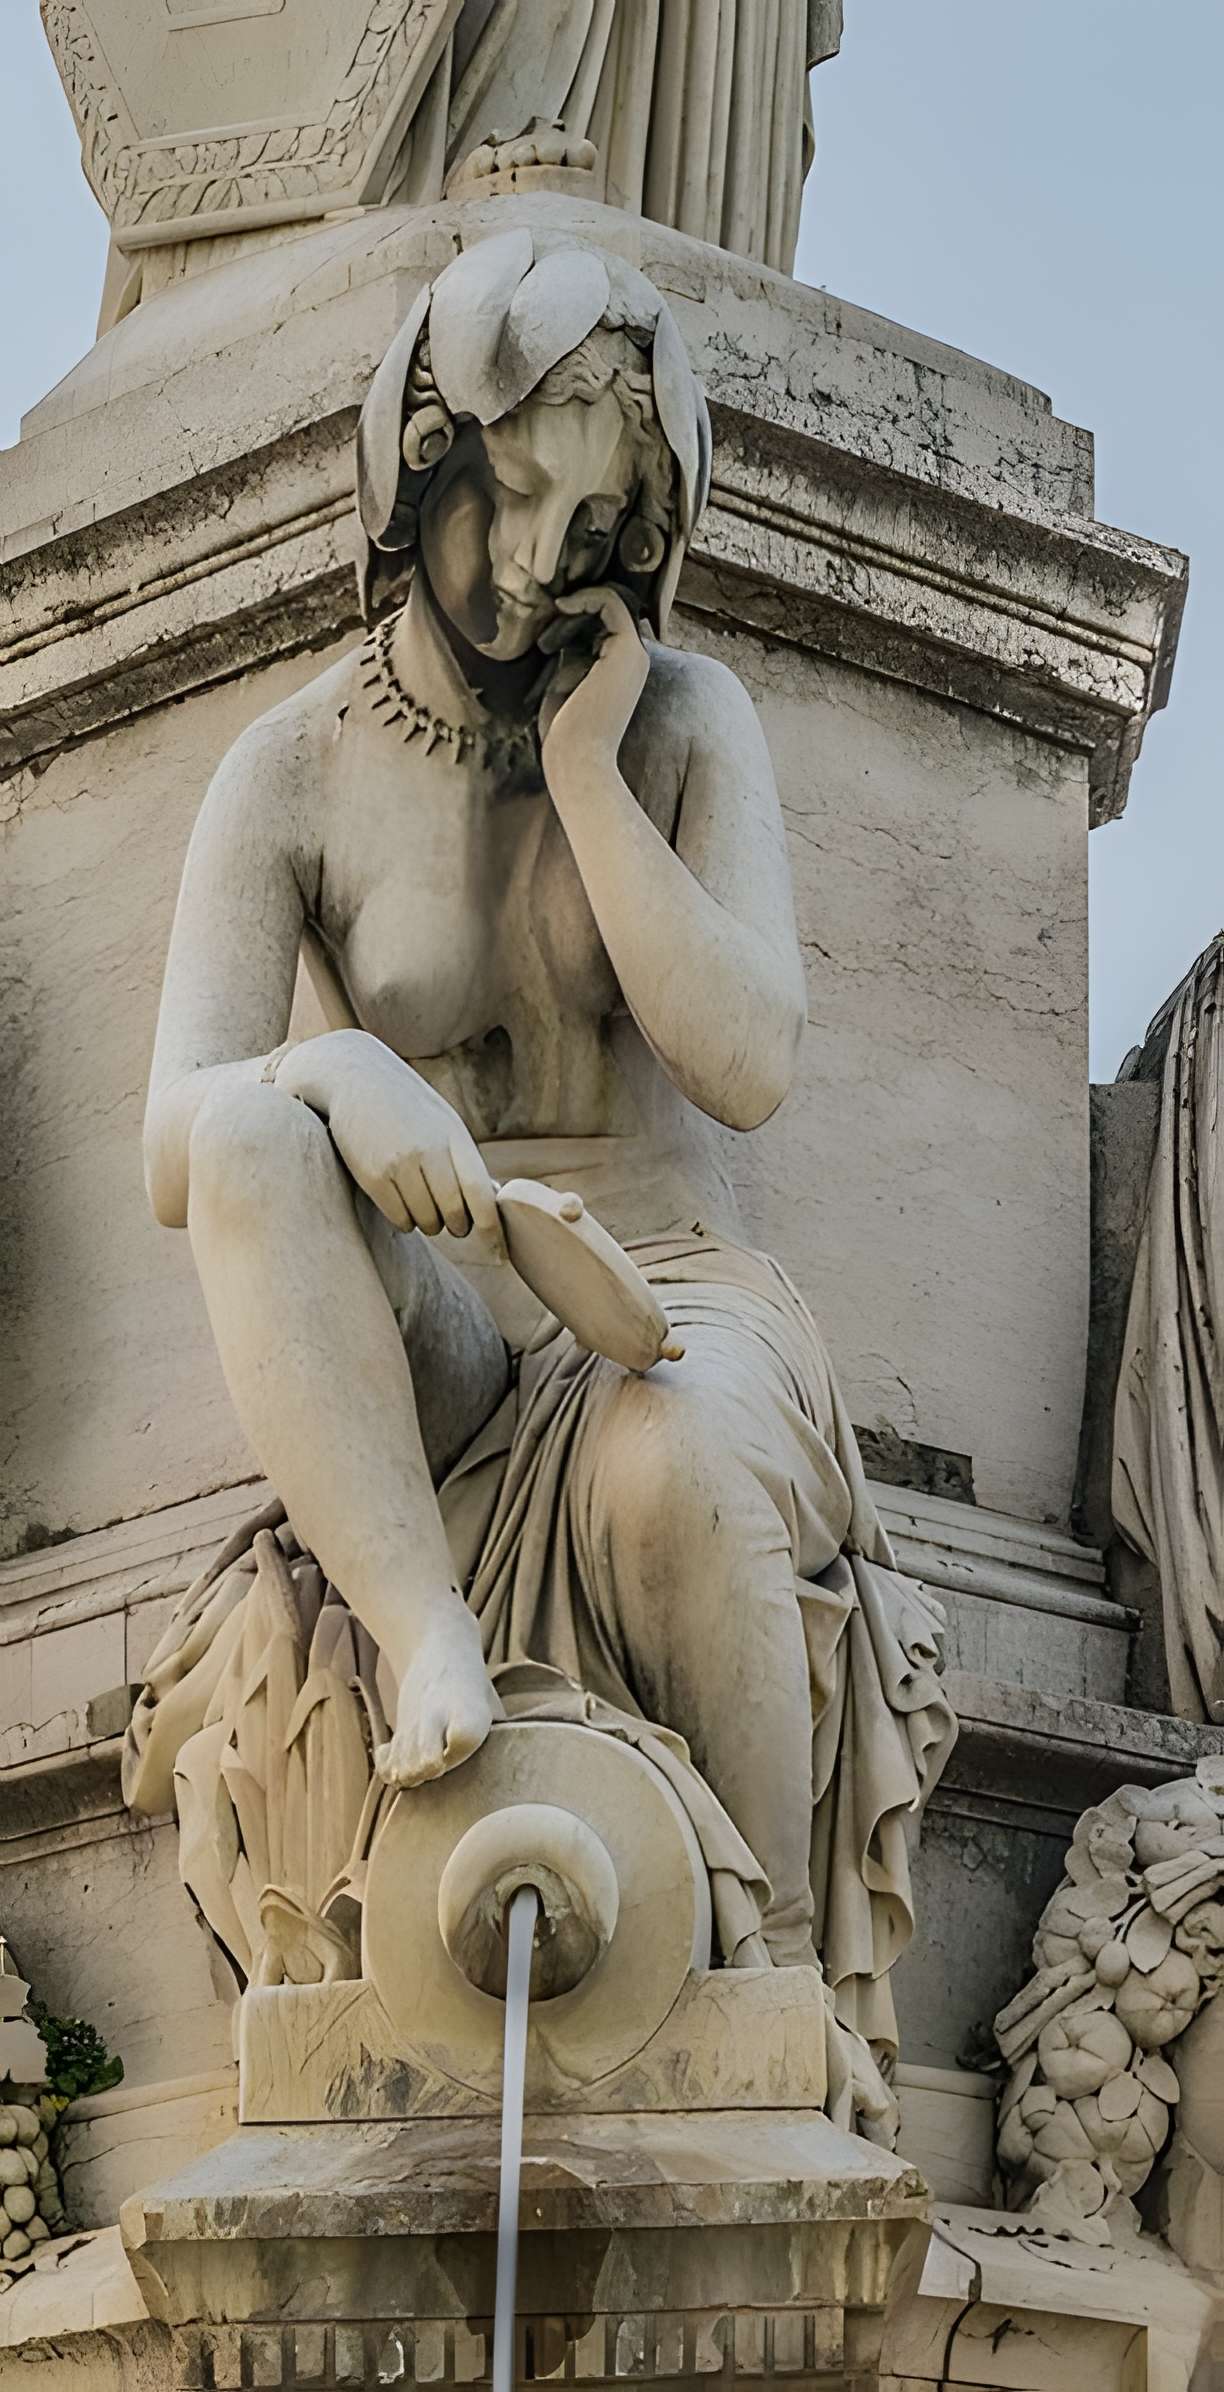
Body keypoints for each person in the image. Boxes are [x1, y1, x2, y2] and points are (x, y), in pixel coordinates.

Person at [136, 231, 953, 2101]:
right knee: (263, 1126)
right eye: (499, 496)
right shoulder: (291, 768)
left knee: (671, 1474)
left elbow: (747, 1062)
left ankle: (759, 1982)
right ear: (417, 460)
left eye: (581, 522)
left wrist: (588, 773)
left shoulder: (685, 725)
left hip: (676, 1301)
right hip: (438, 1342)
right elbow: (175, 1141)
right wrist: (342, 1068)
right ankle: (430, 1637)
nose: (524, 569)